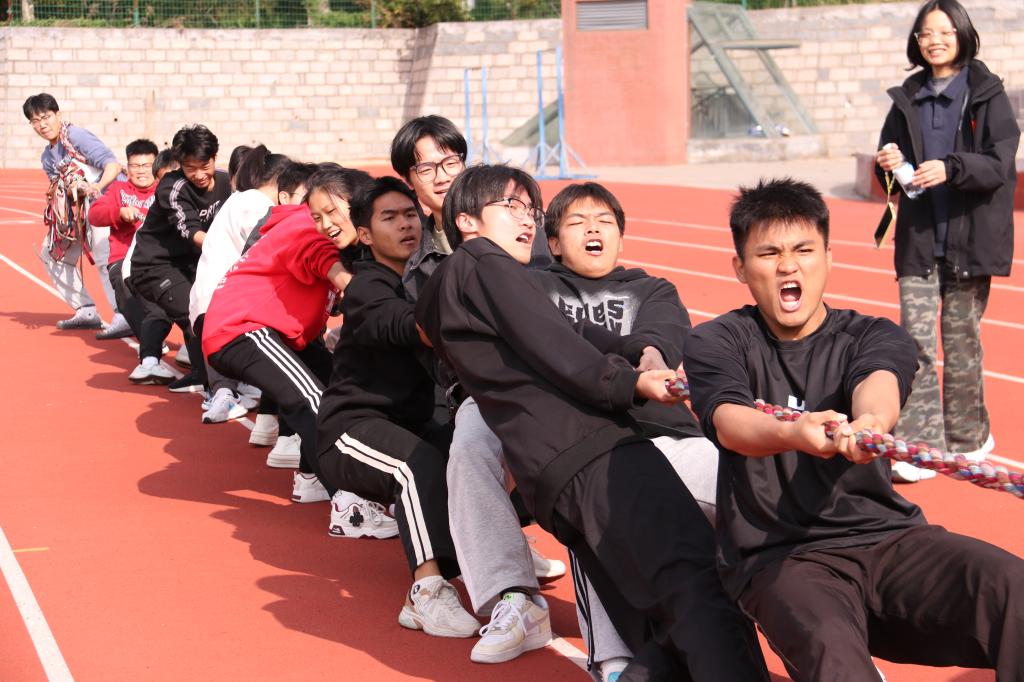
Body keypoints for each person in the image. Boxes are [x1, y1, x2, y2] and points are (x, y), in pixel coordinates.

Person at [416, 164, 769, 681]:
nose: (527, 220)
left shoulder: (450, 290)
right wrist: (630, 384)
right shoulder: (486, 264)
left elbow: (564, 337)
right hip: (599, 455)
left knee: (655, 627)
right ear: (466, 222)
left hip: (555, 477)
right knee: (699, 587)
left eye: (531, 209)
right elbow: (557, 345)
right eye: (510, 206)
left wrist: (641, 360)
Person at [683, 177, 1024, 682]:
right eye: (769, 253)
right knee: (833, 656)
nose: (788, 265)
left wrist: (871, 424)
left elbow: (878, 382)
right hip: (782, 560)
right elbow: (730, 421)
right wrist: (796, 433)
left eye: (804, 250)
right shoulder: (718, 341)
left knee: (1013, 587)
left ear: (828, 256)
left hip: (889, 539)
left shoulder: (872, 335)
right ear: (740, 267)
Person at [317, 176, 479, 638]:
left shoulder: (422, 278)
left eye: (410, 215)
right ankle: (426, 592)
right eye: (389, 218)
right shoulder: (368, 285)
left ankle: (494, 551)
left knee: (478, 450)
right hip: (349, 430)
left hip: (412, 423)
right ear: (365, 235)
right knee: (416, 465)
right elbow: (406, 325)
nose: (406, 225)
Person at [875, 0, 1019, 474]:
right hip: (918, 240)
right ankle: (920, 445)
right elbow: (890, 163)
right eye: (925, 33)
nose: (934, 40)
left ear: (962, 34)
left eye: (943, 32)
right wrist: (889, 163)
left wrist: (951, 168)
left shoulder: (986, 93)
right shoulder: (907, 96)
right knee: (914, 342)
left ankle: (968, 436)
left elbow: (999, 162)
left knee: (961, 345)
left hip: (969, 242)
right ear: (916, 42)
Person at [203, 166, 368, 504]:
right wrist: (350, 285)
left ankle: (310, 477)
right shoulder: (304, 225)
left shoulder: (308, 223)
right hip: (243, 328)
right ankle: (350, 503)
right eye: (321, 212)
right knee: (313, 400)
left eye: (332, 212)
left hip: (274, 331)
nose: (326, 222)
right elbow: (317, 254)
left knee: (339, 389)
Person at [188, 146, 296, 424]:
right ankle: (264, 415)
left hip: (206, 307)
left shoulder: (238, 199)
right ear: (282, 183)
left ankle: (234, 396)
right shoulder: (256, 203)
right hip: (226, 309)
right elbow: (264, 248)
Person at [130, 124, 231, 394]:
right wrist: (229, 250)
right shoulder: (172, 188)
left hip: (190, 263)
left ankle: (203, 374)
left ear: (215, 157)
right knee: (194, 312)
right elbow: (191, 231)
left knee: (216, 308)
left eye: (204, 166)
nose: (199, 175)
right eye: (190, 168)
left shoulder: (226, 183)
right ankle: (214, 385)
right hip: (155, 265)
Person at [24, 93, 123, 332]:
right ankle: (85, 310)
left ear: (58, 115)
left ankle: (123, 314)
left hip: (107, 200)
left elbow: (112, 164)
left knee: (103, 256)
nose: (42, 124)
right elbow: (59, 190)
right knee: (52, 254)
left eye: (46, 117)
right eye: (35, 121)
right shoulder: (47, 157)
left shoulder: (76, 136)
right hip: (79, 211)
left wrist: (96, 187)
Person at [87, 138, 177, 384]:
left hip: (159, 262)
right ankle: (151, 351)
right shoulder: (118, 190)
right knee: (126, 297)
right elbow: (95, 214)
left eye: (146, 165)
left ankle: (185, 350)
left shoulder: (166, 189)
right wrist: (119, 213)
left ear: (156, 165)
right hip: (123, 260)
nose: (141, 171)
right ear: (127, 168)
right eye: (135, 166)